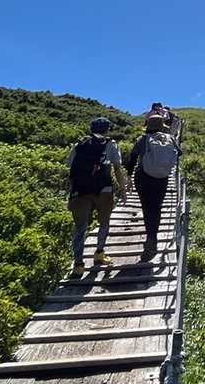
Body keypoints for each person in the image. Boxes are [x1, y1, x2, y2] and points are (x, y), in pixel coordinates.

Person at [65, 117, 129, 275]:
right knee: (104, 223)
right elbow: (117, 168)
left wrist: (72, 191)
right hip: (104, 190)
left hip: (80, 190)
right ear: (107, 130)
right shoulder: (111, 144)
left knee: (80, 228)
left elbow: (70, 167)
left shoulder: (80, 144)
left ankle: (78, 265)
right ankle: (99, 254)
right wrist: (123, 189)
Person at [126, 109, 179, 259]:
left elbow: (132, 158)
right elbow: (178, 153)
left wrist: (129, 176)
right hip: (162, 178)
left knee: (147, 207)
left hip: (143, 177)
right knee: (157, 208)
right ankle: (153, 238)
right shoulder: (170, 139)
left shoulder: (142, 139)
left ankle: (150, 238)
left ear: (148, 126)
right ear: (162, 126)